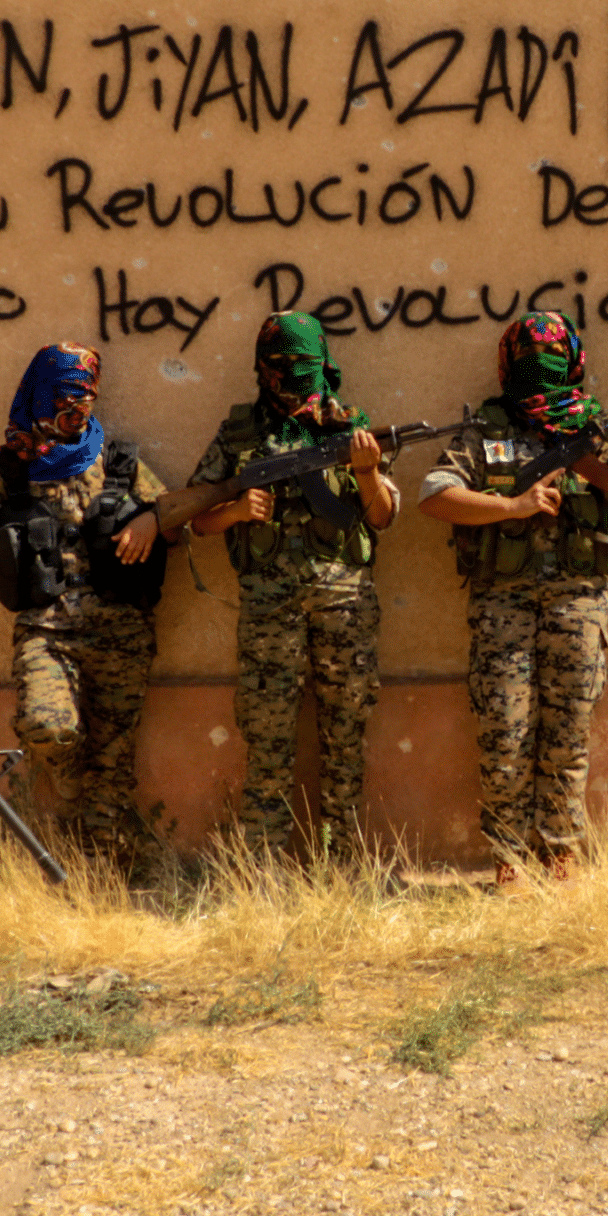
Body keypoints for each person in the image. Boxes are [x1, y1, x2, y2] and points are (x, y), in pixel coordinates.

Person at [417, 311, 608, 886]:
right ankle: (508, 856)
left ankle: (561, 849)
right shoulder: (487, 431)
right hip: (501, 604)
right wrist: (511, 506)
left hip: (576, 602)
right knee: (505, 732)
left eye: (553, 360)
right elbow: (435, 495)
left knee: (567, 732)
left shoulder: (590, 430)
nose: (542, 374)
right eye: (532, 363)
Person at [0, 341, 169, 877]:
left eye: (86, 398)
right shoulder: (12, 471)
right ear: (42, 394)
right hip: (46, 633)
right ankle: (72, 793)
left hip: (121, 633)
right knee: (47, 726)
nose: (77, 409)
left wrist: (153, 521)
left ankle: (101, 884)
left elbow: (175, 517)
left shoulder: (121, 462)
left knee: (114, 762)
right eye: (66, 398)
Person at [185, 312, 397, 850]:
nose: (293, 378)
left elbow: (381, 517)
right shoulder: (239, 431)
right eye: (280, 367)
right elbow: (193, 516)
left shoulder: (350, 425)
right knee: (268, 738)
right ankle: (262, 868)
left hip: (345, 604)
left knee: (345, 735)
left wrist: (369, 471)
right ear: (261, 368)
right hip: (268, 609)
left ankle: (344, 861)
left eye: (304, 367)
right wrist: (234, 510)